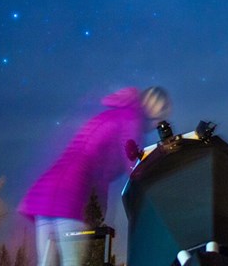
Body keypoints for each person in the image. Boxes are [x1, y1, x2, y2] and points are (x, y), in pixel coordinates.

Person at [18, 86, 172, 266]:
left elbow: (100, 173)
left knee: (47, 263)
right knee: (72, 261)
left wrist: (102, 209)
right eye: (160, 119)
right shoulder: (132, 119)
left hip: (46, 190)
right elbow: (133, 165)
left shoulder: (119, 114)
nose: (157, 126)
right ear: (154, 110)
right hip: (70, 191)